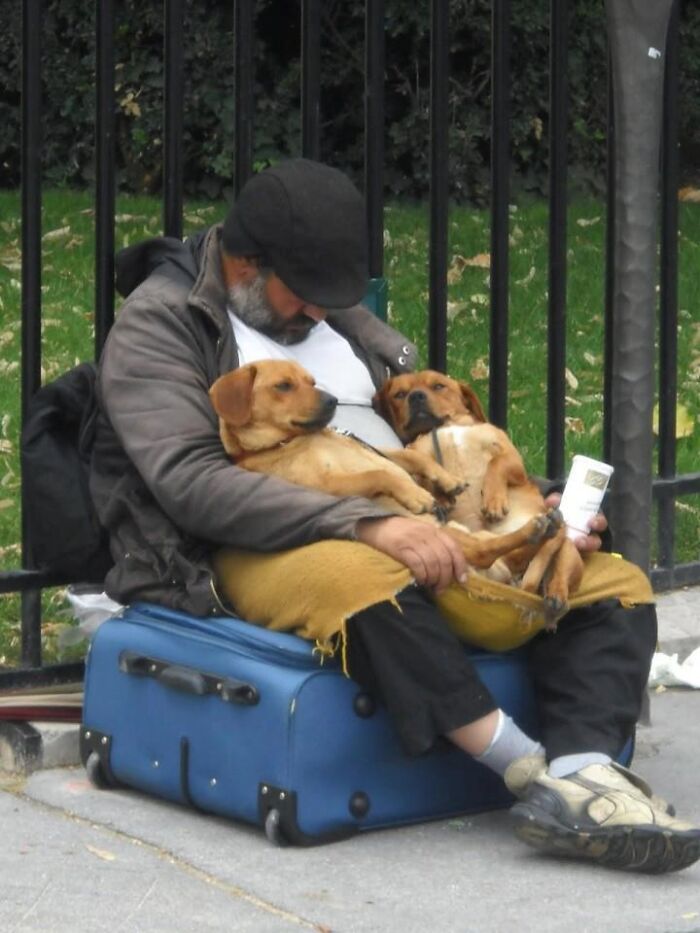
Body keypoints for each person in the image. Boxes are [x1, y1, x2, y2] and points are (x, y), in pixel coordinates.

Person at [90, 158, 700, 873]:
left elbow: (430, 435)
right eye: (306, 294)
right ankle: (527, 771)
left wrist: (534, 504)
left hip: (411, 508)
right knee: (367, 582)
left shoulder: (334, 314)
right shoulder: (160, 325)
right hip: (253, 539)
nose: (321, 312)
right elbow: (192, 484)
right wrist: (367, 523)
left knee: (611, 581)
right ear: (247, 264)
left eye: (331, 296)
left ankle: (584, 776)